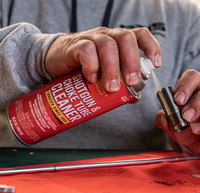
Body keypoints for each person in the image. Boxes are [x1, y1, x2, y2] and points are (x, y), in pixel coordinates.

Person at [0, 0, 199, 154]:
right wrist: (38, 57)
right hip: (20, 174)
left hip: (142, 182)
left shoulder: (187, 17)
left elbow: (190, 144)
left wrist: (191, 139)